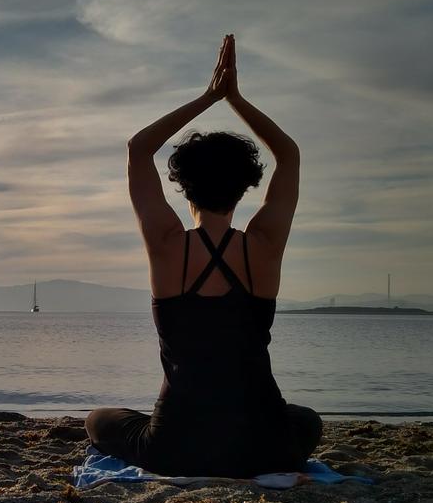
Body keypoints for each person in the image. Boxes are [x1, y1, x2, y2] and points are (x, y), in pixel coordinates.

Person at [85, 34, 322, 477]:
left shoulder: (167, 245)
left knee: (99, 420)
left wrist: (208, 97)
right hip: (264, 445)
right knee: (307, 420)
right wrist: (235, 99)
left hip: (177, 446)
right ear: (246, 186)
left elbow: (139, 149)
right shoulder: (263, 247)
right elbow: (288, 154)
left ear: (183, 184)